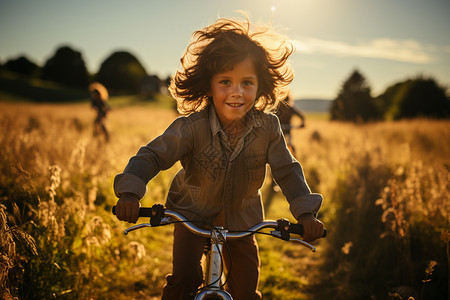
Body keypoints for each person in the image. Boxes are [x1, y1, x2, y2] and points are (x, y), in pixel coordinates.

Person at [113, 15, 324, 299]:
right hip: (190, 214)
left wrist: (306, 214)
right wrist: (130, 191)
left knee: (246, 289)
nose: (236, 92)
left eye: (247, 83)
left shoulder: (269, 127)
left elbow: (287, 171)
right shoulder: (190, 127)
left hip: (242, 220)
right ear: (208, 85)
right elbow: (152, 155)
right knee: (183, 281)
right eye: (225, 81)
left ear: (260, 86)